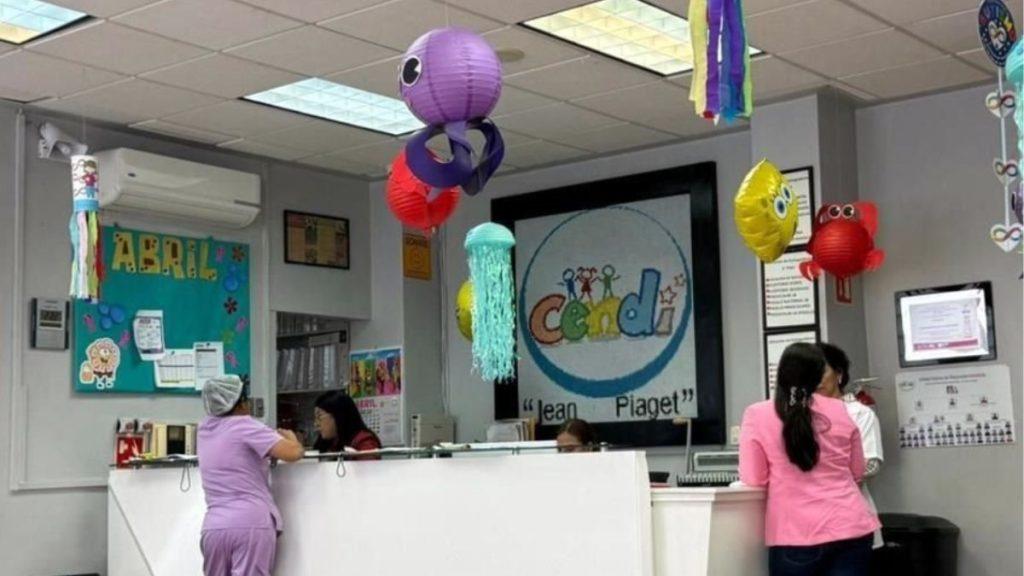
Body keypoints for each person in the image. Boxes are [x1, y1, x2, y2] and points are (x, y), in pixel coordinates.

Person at [739, 343, 879, 576]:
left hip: (795, 534)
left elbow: (753, 477)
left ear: (780, 373)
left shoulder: (757, 414)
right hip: (851, 527)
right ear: (817, 375)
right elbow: (857, 471)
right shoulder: (840, 409)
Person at [198, 375, 304, 576]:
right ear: (240, 404)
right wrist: (292, 439)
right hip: (250, 524)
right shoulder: (245, 425)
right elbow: (293, 453)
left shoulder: (204, 430)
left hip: (213, 528)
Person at [817, 342, 885, 550]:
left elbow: (871, 465)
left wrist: (821, 478)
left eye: (822, 371)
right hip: (811, 524)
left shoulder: (859, 413)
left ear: (839, 374)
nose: (816, 379)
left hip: (851, 519)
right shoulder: (802, 416)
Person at [312, 390, 382, 458]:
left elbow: (368, 468)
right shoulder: (329, 442)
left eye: (319, 417)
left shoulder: (364, 442)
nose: (316, 424)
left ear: (338, 415)